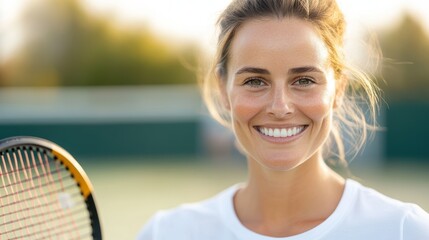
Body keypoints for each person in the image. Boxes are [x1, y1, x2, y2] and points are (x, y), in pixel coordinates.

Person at [137, 0, 429, 239]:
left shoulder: (405, 230)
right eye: (254, 81)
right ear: (223, 91)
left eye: (303, 80)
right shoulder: (167, 232)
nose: (280, 107)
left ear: (338, 89)